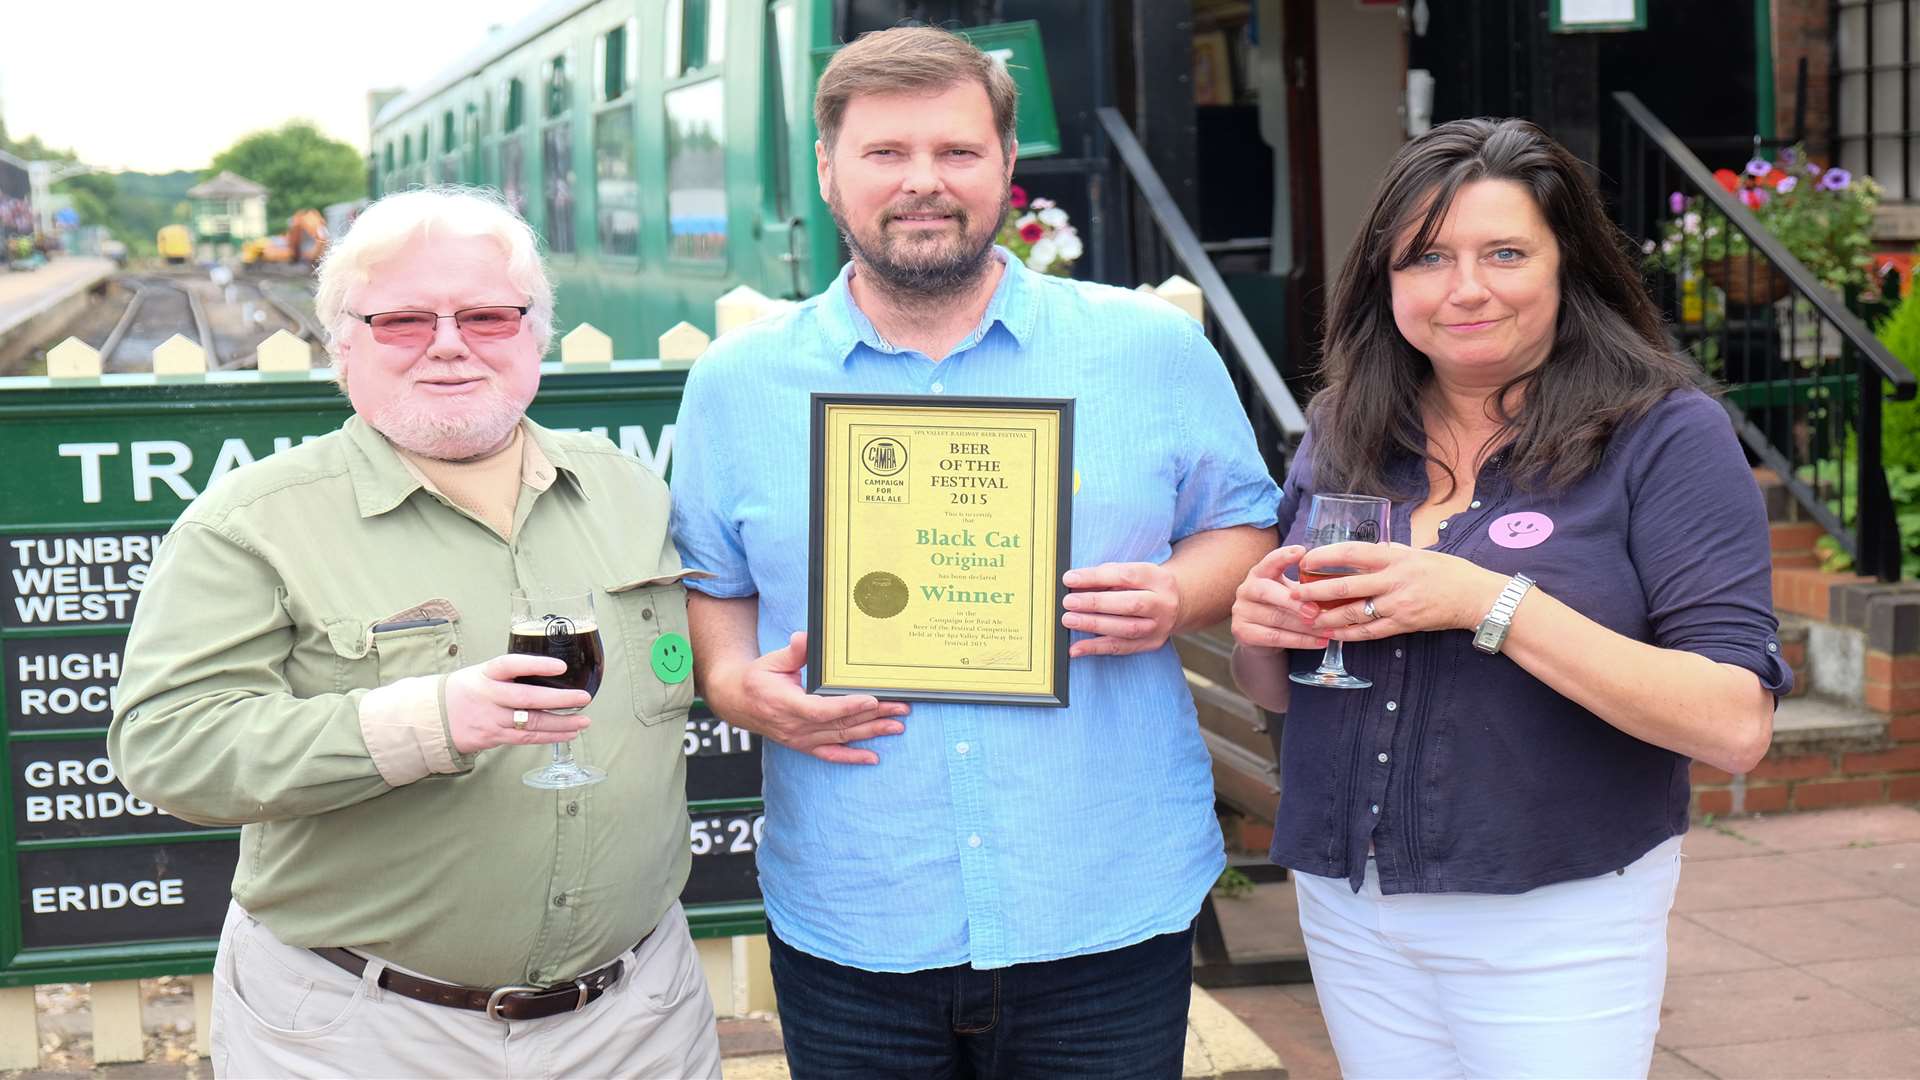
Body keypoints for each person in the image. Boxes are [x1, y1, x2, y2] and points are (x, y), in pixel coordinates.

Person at [669, 25, 1278, 1078]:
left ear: (1004, 166)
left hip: (1102, 896)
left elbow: (1244, 524)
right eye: (886, 154)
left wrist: (1177, 594)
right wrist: (729, 681)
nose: (923, 184)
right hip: (858, 907)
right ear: (829, 170)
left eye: (956, 152)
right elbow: (713, 582)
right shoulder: (738, 382)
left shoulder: (1149, 350)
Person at [108, 188, 720, 1079]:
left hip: (635, 1020)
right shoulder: (250, 523)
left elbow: (681, 659)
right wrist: (424, 724)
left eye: (486, 315)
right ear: (342, 346)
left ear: (534, 336)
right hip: (366, 1029)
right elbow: (166, 746)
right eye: (401, 320)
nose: (448, 342)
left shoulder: (629, 491)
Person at [1228, 118, 1788, 1078]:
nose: (1466, 288)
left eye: (1505, 253)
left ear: (1570, 266)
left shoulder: (1664, 435)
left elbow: (1733, 723)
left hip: (1554, 913)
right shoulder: (1345, 424)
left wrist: (1490, 602)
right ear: (1386, 283)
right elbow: (1284, 690)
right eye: (1428, 258)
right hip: (1352, 902)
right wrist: (1259, 629)